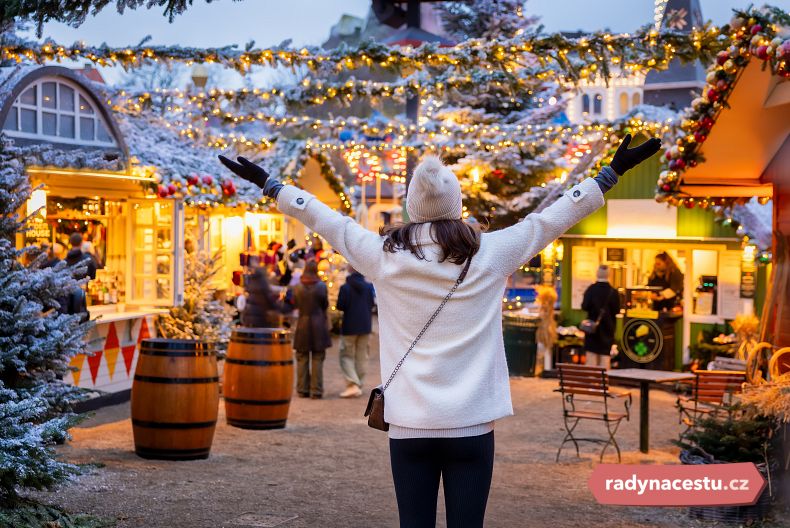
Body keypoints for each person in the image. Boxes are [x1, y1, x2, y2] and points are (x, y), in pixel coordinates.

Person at [220, 133, 661, 527]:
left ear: (412, 207)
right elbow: (549, 220)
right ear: (458, 206)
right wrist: (609, 173)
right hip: (471, 424)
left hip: (409, 424)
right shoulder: (491, 253)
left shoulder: (383, 256)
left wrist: (272, 185)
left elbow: (327, 221)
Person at [290, 260, 332, 399]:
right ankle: (316, 390)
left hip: (302, 324)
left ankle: (302, 389)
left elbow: (295, 304)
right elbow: (325, 304)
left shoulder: (297, 287)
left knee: (302, 357)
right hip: (318, 324)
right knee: (318, 358)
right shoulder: (321, 286)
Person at [336, 265, 376, 398]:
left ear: (349, 271)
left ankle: (352, 384)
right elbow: (372, 304)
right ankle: (358, 384)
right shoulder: (369, 287)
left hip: (349, 326)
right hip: (365, 325)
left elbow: (340, 306)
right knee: (362, 356)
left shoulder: (345, 287)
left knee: (346, 355)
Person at [581, 265, 620, 369]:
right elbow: (617, 311)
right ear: (609, 275)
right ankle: (602, 383)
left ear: (597, 273)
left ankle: (592, 382)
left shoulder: (591, 289)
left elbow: (584, 306)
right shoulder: (613, 292)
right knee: (605, 359)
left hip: (592, 330)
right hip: (608, 330)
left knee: (591, 359)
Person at [241, 255, 285, 328]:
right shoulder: (262, 282)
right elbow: (270, 301)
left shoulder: (253, 281)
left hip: (251, 318)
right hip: (260, 318)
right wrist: (284, 307)